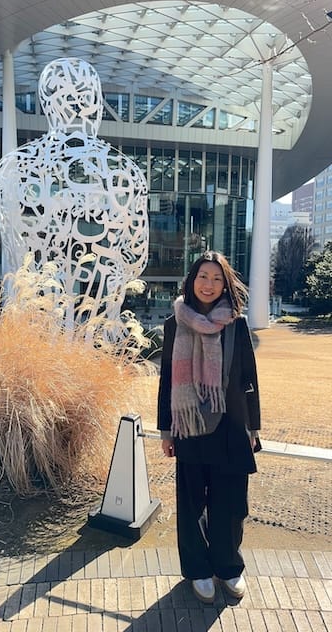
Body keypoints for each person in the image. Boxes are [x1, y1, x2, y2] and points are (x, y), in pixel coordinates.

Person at [157, 250, 261, 604]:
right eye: (203, 276)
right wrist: (166, 431)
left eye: (217, 278)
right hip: (189, 425)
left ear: (225, 284)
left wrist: (254, 426)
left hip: (231, 426)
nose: (209, 284)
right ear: (192, 279)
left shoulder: (236, 323)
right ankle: (199, 570)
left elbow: (249, 379)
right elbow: (168, 380)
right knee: (191, 504)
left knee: (231, 505)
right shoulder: (174, 323)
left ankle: (228, 567)